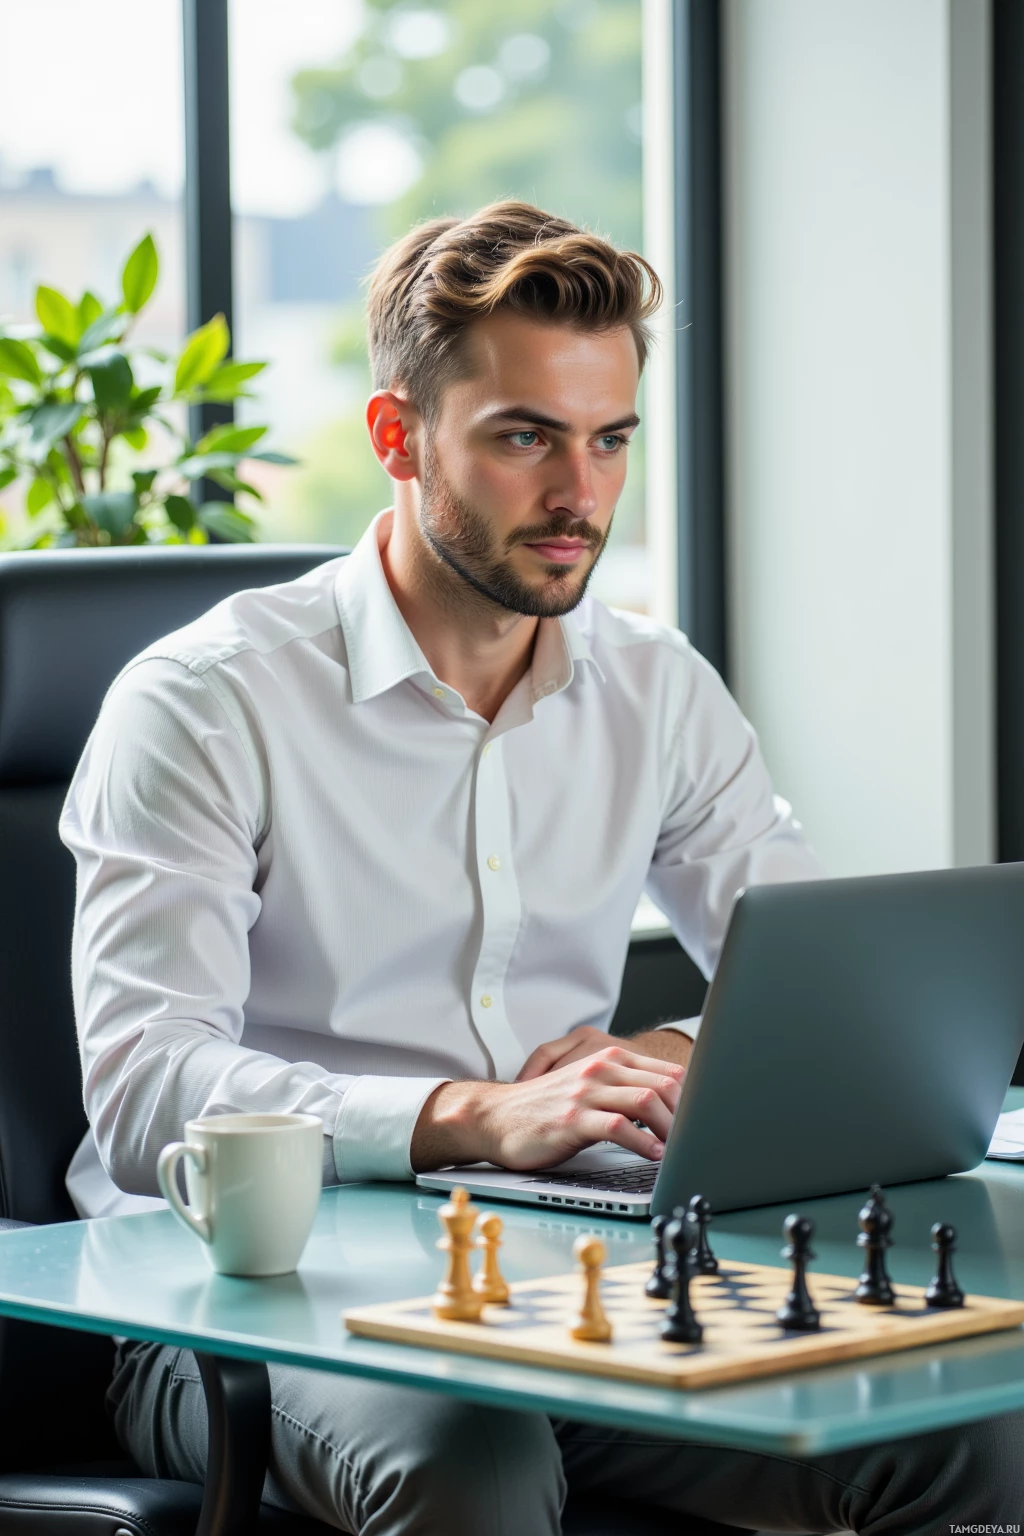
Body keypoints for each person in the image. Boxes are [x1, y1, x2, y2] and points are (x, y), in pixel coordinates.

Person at [61, 201, 1022, 1534]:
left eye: (610, 439)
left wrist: (678, 1058)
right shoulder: (207, 702)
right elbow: (148, 1087)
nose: (581, 494)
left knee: (975, 1439)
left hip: (569, 1265)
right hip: (231, 1303)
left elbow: (813, 980)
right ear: (396, 437)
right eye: (524, 437)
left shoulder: (655, 687)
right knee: (475, 1462)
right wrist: (465, 1113)